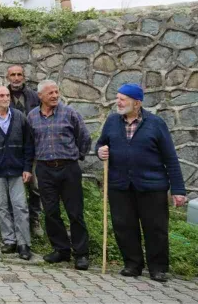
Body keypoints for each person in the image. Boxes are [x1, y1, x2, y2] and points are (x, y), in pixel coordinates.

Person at [96, 83, 187, 282]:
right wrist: (100, 151)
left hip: (152, 186)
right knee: (124, 226)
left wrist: (178, 189)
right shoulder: (112, 121)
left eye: (122, 99)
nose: (117, 102)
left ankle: (158, 268)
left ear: (137, 103)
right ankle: (132, 264)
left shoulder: (156, 123)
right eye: (117, 97)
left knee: (155, 228)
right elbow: (102, 143)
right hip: (120, 185)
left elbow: (170, 157)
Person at [27, 80, 91, 270]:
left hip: (69, 168)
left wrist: (77, 156)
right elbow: (30, 143)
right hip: (45, 169)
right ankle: (61, 250)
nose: (55, 95)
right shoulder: (32, 117)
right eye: (50, 93)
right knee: (51, 211)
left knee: (75, 212)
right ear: (40, 96)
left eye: (56, 92)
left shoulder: (70, 113)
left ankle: (81, 254)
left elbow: (84, 137)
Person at [0, 86, 34, 260]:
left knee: (20, 206)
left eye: (7, 95)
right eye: (1, 95)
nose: (6, 98)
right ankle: (9, 240)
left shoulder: (20, 117)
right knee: (1, 206)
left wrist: (27, 168)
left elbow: (28, 145)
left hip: (17, 170)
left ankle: (24, 243)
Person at [6, 64, 43, 237]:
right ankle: (15, 222)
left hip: (33, 149)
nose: (16, 78)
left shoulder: (34, 96)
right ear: (8, 78)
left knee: (35, 187)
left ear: (24, 77)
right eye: (12, 75)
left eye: (19, 74)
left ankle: (35, 220)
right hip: (11, 151)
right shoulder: (1, 95)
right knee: (13, 188)